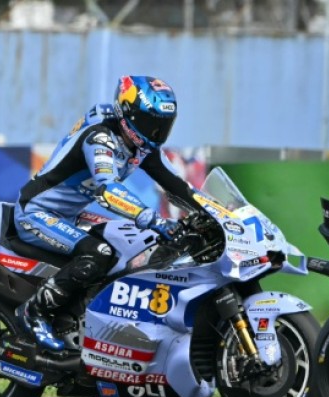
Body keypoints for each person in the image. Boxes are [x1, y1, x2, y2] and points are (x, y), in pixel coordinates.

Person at [15, 75, 203, 350]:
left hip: (70, 214)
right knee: (99, 253)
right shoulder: (100, 139)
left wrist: (218, 213)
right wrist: (155, 220)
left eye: (163, 125)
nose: (156, 133)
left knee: (131, 244)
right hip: (37, 212)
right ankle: (34, 312)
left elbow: (179, 186)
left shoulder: (139, 143)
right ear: (128, 115)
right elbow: (108, 192)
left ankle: (87, 319)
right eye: (151, 123)